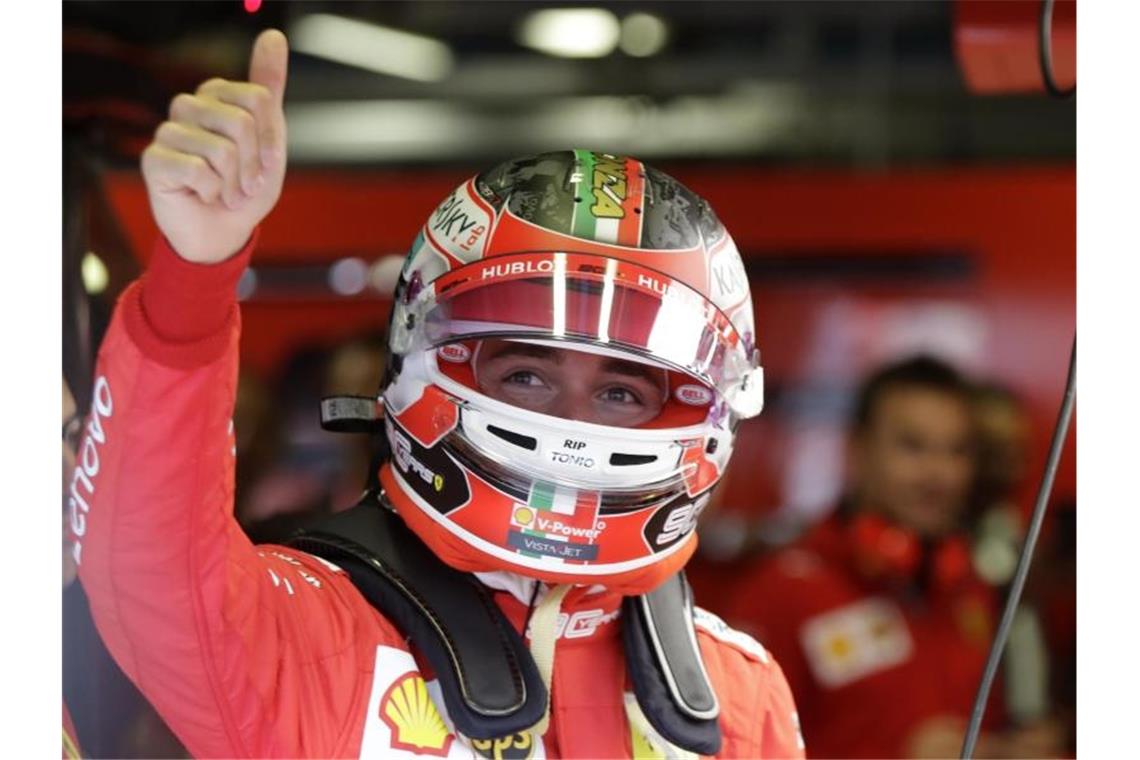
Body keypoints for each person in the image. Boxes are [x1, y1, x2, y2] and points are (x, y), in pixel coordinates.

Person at [72, 29, 804, 759]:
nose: (572, 423)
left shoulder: (739, 693)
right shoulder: (315, 635)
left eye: (619, 393)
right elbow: (150, 573)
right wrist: (194, 276)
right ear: (420, 364)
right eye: (526, 376)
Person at [725, 356, 1030, 758]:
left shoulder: (967, 585)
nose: (939, 474)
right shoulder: (784, 591)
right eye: (912, 446)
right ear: (858, 450)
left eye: (957, 451)